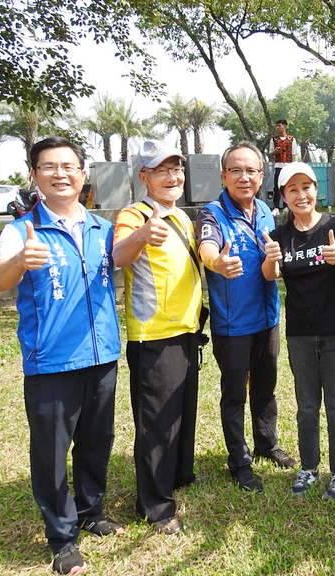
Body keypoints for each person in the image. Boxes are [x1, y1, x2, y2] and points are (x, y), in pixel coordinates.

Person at [0, 137, 122, 575]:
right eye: (49, 167)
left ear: (83, 174)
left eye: (69, 166)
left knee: (97, 441)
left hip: (102, 354)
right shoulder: (20, 230)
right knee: (50, 451)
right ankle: (62, 538)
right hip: (51, 362)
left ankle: (92, 510)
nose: (60, 174)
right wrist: (20, 263)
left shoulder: (103, 228)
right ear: (35, 175)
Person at [113, 141, 203, 535]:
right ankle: (155, 505)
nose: (172, 177)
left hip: (186, 329)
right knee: (157, 422)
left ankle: (178, 474)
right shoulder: (134, 215)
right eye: (162, 170)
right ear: (144, 176)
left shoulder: (182, 218)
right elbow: (118, 255)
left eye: (177, 169)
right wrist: (140, 237)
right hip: (154, 334)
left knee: (182, 412)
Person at [197, 141, 296, 493]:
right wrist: (218, 263)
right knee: (235, 392)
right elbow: (208, 247)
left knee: (266, 387)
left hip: (267, 318)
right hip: (232, 324)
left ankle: (266, 444)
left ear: (261, 175)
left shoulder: (267, 212)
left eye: (251, 170)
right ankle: (239, 459)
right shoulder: (212, 213)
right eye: (236, 170)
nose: (244, 177)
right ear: (224, 175)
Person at [261, 162, 335, 500]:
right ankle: (309, 467)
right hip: (300, 333)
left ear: (316, 190)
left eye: (306, 187)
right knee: (305, 405)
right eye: (293, 190)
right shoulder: (280, 236)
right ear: (284, 196)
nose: (301, 195)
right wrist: (271, 256)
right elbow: (269, 274)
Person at [267, 119, 300, 212]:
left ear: (285, 126)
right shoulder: (273, 140)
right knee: (276, 186)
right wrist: (274, 152)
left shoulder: (292, 139)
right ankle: (276, 206)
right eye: (276, 126)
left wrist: (295, 168)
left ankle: (287, 206)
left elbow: (294, 154)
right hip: (278, 166)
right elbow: (270, 153)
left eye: (279, 126)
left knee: (288, 186)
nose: (277, 128)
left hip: (289, 167)